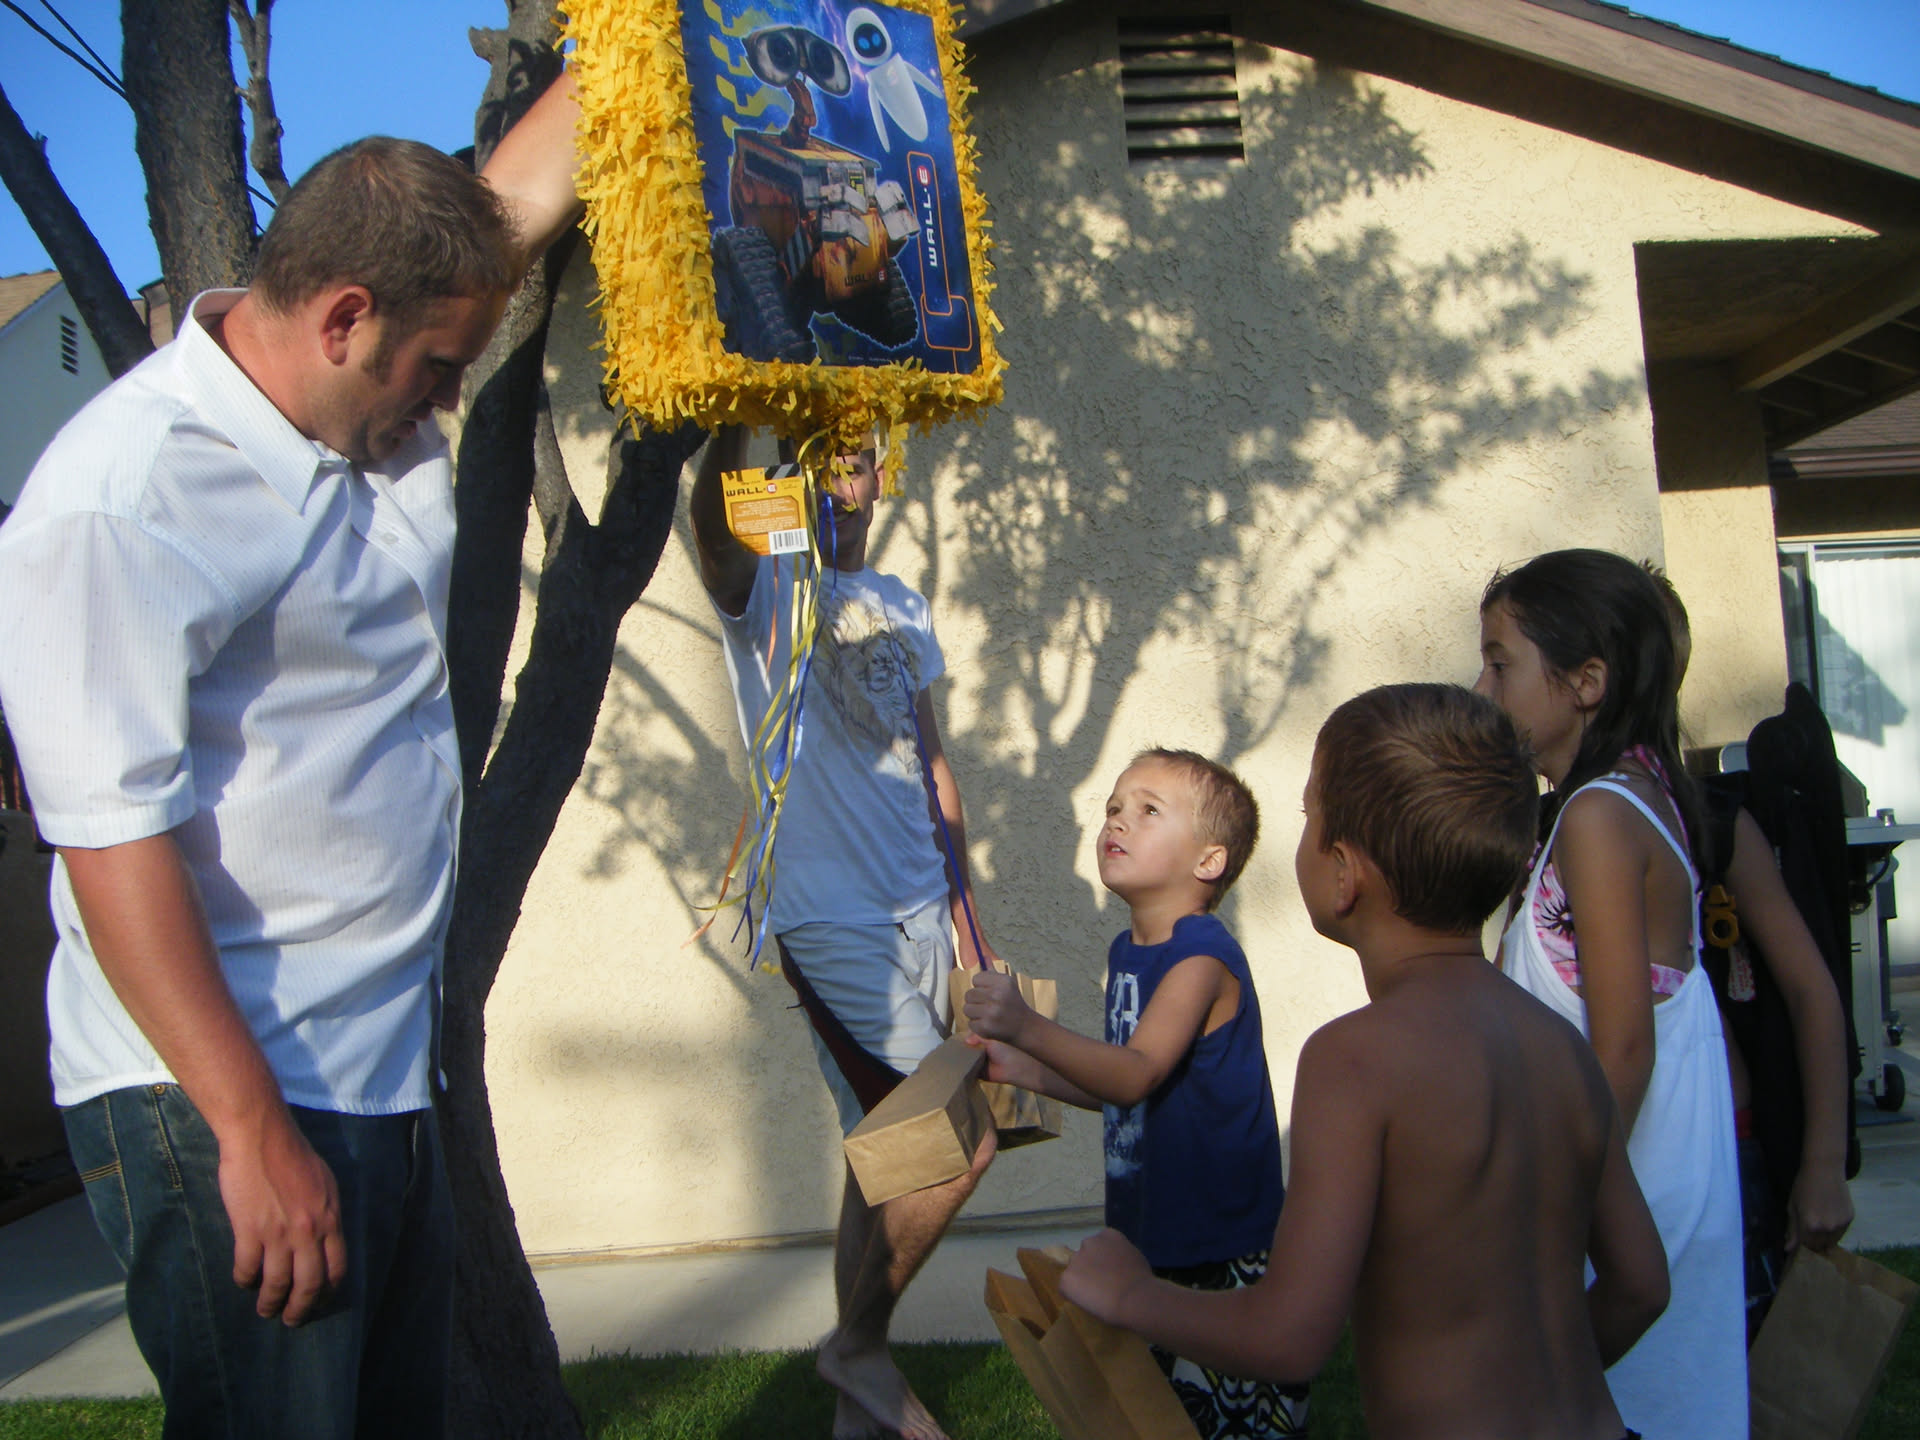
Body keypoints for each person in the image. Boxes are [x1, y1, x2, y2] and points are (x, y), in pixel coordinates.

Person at [0, 84, 583, 1438]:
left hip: (375, 1066)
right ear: (343, 319)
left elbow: (523, 192)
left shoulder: (361, 397)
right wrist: (252, 1131)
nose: (450, 400)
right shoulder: (122, 502)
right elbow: (109, 843)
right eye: (439, 368)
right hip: (226, 1092)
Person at [1058, 684, 1671, 1440]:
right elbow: (1642, 1284)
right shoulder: (1560, 1045)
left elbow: (1289, 1336)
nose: (1302, 832)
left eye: (1310, 814)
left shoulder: (1354, 1060)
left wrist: (1129, 1294)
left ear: (1345, 874)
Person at [689, 424, 998, 1440]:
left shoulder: (902, 601)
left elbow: (932, 762)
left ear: (877, 474)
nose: (838, 478)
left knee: (881, 1151)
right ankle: (858, 1346)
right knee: (956, 1139)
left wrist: (969, 923)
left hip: (923, 909)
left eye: (853, 457)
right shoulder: (769, 587)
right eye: (815, 456)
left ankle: (852, 1415)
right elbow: (715, 530)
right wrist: (736, 416)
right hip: (831, 920)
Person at [1476, 549, 1746, 1434]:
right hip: (1631, 1199)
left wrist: (1556, 1212)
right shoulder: (1608, 803)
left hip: (1628, 1208)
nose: (1482, 688)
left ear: (1586, 682)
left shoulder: (1599, 817)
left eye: (1501, 664)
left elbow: (1623, 1046)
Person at [963, 747, 1306, 1438]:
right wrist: (1024, 1068)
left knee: (1231, 1424)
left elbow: (1136, 1071)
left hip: (1219, 1248)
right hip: (1154, 1236)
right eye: (1115, 806)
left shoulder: (1200, 957)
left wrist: (1028, 1027)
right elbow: (1125, 1088)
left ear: (1209, 861)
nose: (1117, 820)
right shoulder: (1128, 952)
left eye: (1149, 811)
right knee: (1160, 1418)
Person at [1648, 571, 1854, 1335]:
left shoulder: (1715, 827)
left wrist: (1823, 1164)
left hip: (1724, 1154)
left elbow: (1810, 989)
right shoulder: (1547, 829)